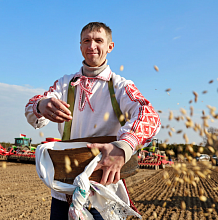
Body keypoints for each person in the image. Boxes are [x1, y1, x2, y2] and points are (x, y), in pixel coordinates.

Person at [25, 22, 161, 219]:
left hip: (102, 190)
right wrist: (41, 105)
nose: (92, 46)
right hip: (64, 188)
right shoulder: (65, 84)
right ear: (80, 46)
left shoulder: (120, 86)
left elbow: (149, 115)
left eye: (98, 40)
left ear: (110, 47)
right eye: (86, 41)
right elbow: (31, 108)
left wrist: (124, 146)